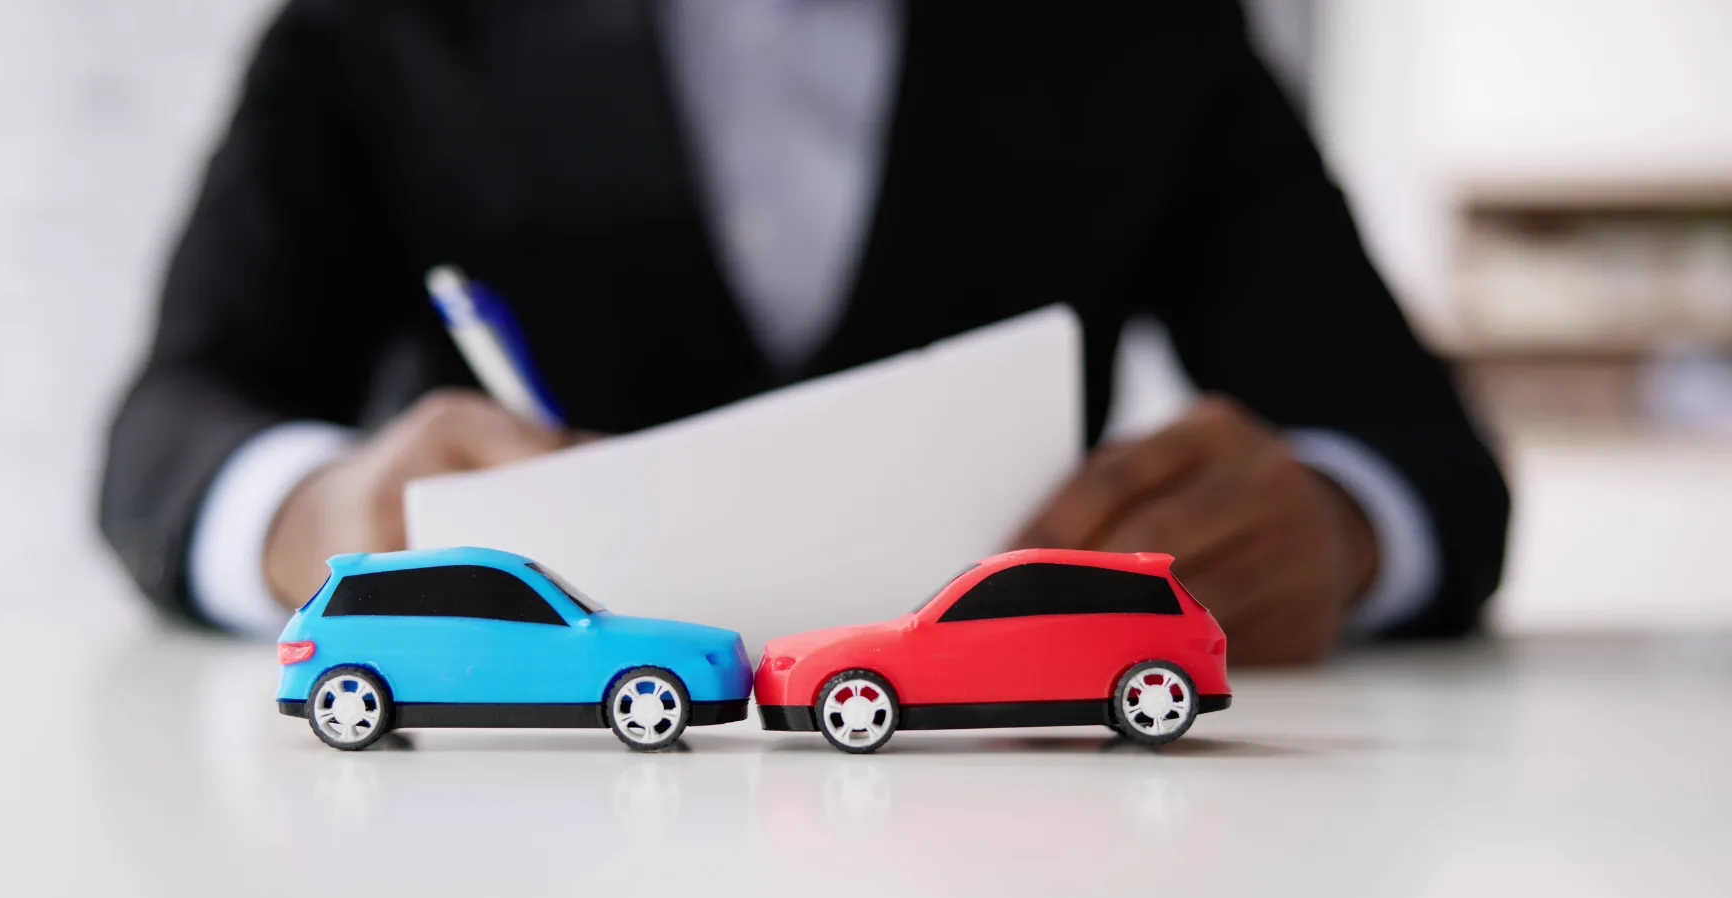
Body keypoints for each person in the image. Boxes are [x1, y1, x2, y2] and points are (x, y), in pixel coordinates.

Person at [98, 0, 1509, 665]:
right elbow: (174, 426)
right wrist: (319, 509)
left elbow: (1423, 458)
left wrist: (1335, 527)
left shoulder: (1151, 34)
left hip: (1016, 829)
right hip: (515, 834)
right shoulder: (378, 32)